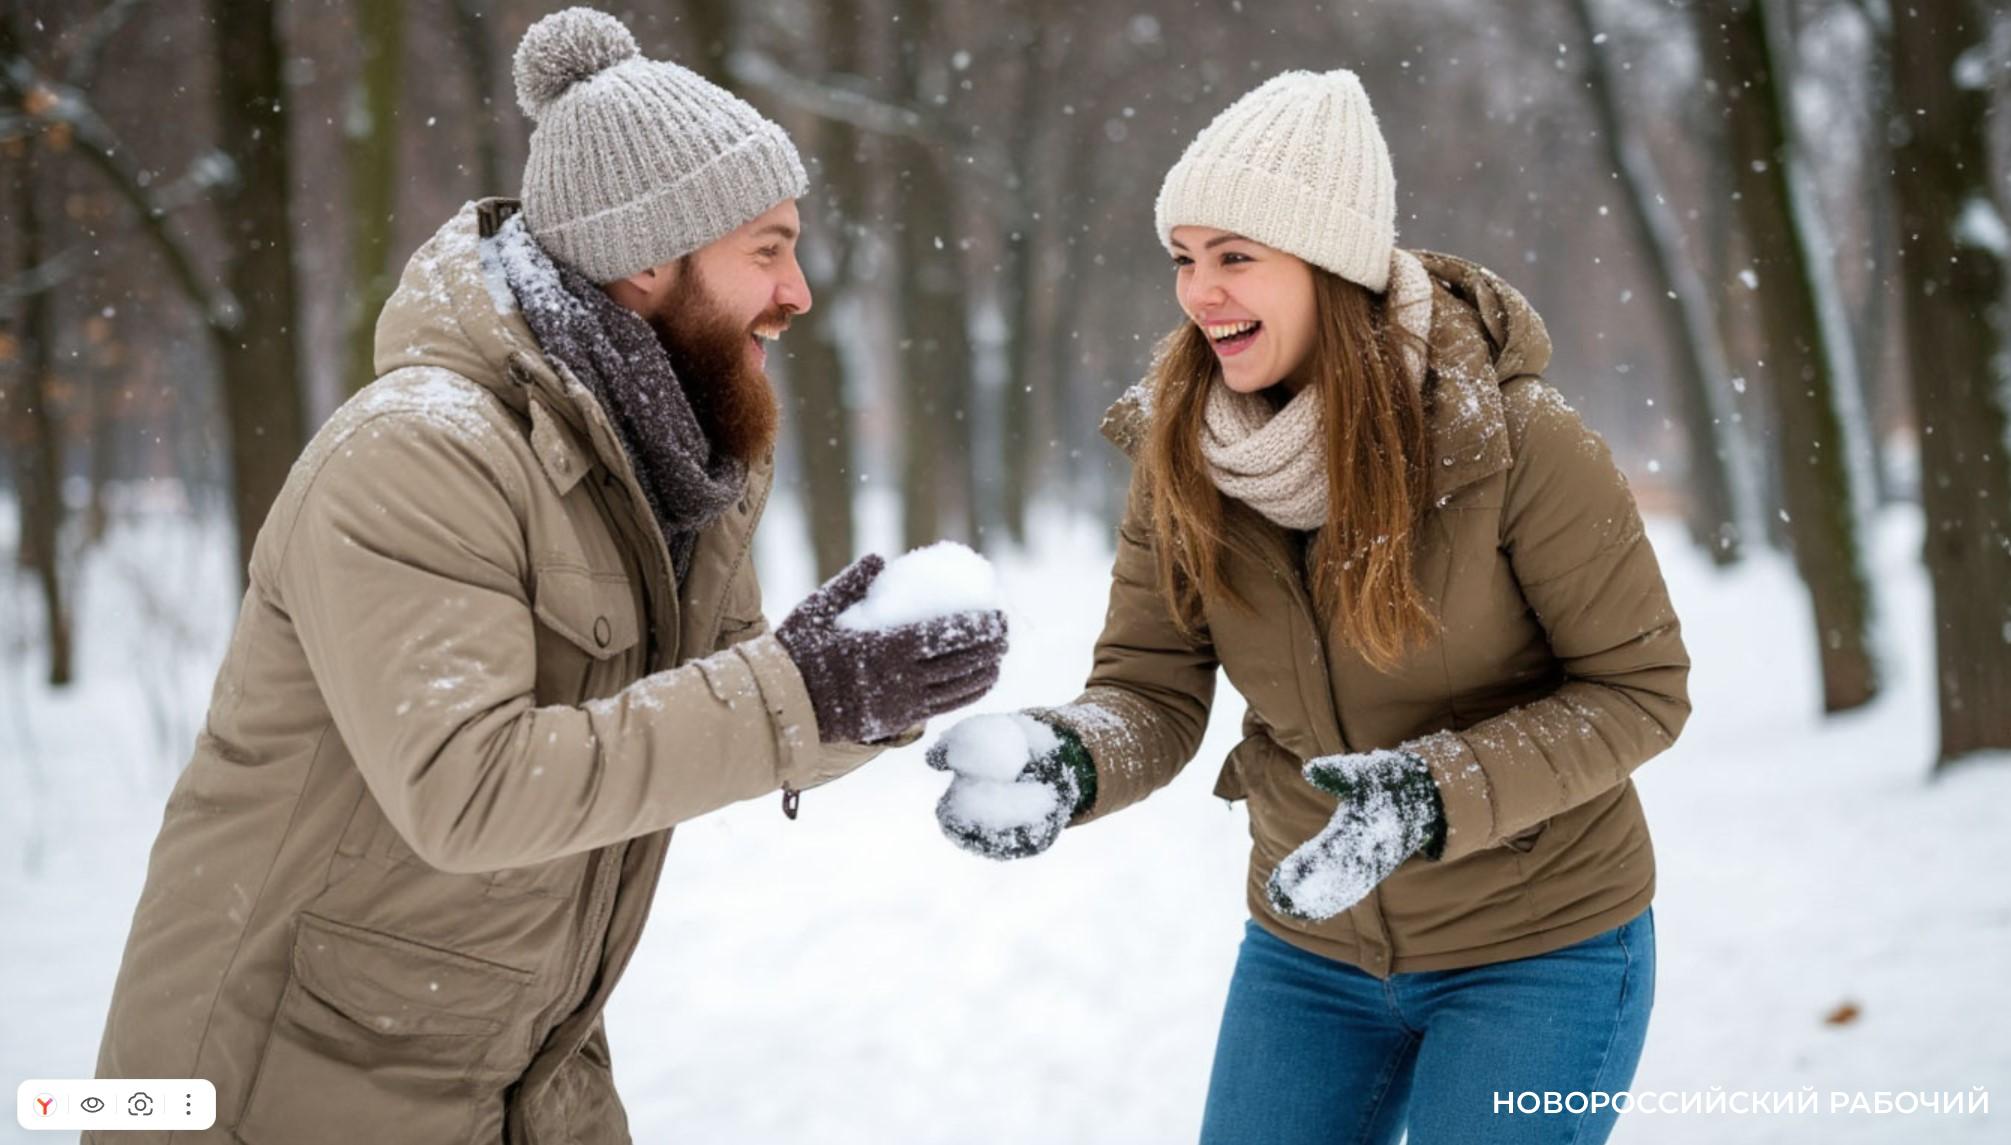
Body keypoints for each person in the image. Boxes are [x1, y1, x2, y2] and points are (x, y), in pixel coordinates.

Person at [89, 8, 1007, 1142]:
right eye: (767, 249)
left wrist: (861, 689)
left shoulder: (665, 467)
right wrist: (799, 690)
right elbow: (469, 789)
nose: (798, 290)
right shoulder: (420, 453)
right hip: (278, 1087)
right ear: (648, 258)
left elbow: (717, 709)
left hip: (518, 1062)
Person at [928, 68, 1689, 1145]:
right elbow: (1150, 686)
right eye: (1184, 257)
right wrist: (1073, 756)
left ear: (1331, 266)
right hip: (1310, 950)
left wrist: (1431, 792)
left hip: (1537, 947)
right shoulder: (1183, 451)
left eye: (1235, 256)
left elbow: (1638, 689)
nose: (1199, 291)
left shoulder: (1515, 440)